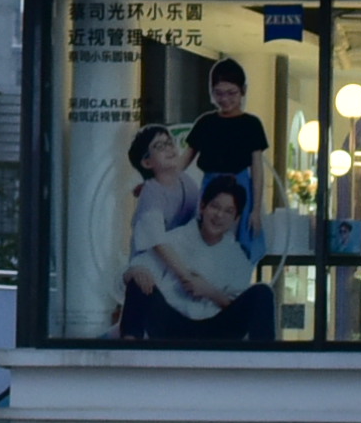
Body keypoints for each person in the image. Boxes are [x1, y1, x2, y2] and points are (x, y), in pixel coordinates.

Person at [148, 179, 272, 342]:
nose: (219, 215)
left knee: (263, 292)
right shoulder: (174, 240)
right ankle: (129, 348)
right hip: (172, 324)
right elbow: (137, 275)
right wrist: (137, 271)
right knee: (138, 281)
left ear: (236, 218)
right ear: (202, 207)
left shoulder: (237, 257)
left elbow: (235, 309)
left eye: (228, 211)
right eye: (215, 207)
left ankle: (265, 356)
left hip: (215, 330)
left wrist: (210, 292)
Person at [113, 127, 193, 341]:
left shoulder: (187, 183)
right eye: (159, 146)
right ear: (147, 163)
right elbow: (158, 243)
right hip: (155, 273)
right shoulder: (151, 194)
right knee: (140, 282)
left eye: (169, 142)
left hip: (180, 278)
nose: (169, 148)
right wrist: (187, 278)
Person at [186, 57, 275, 214]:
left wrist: (256, 209)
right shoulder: (205, 122)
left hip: (240, 187)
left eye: (231, 93)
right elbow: (183, 160)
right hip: (210, 187)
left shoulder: (251, 124)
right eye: (219, 93)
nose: (225, 99)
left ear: (243, 90)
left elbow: (257, 171)